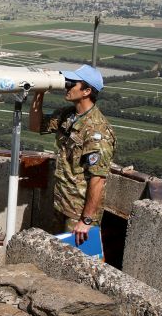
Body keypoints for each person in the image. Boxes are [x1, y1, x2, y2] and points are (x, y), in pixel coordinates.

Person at [28, 64, 116, 245]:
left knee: (78, 263)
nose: (67, 87)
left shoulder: (97, 131)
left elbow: (98, 179)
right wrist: (39, 92)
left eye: (72, 84)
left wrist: (86, 220)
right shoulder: (68, 115)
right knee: (57, 257)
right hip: (61, 202)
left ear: (87, 91)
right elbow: (36, 126)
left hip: (78, 211)